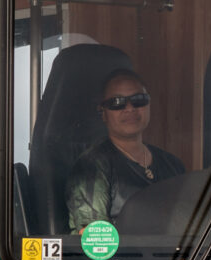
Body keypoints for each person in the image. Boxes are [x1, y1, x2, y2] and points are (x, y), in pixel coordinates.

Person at [67, 70, 185, 232]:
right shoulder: (92, 166)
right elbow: (94, 239)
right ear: (103, 113)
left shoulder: (173, 165)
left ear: (148, 104)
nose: (130, 109)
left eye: (138, 100)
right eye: (117, 102)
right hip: (124, 256)